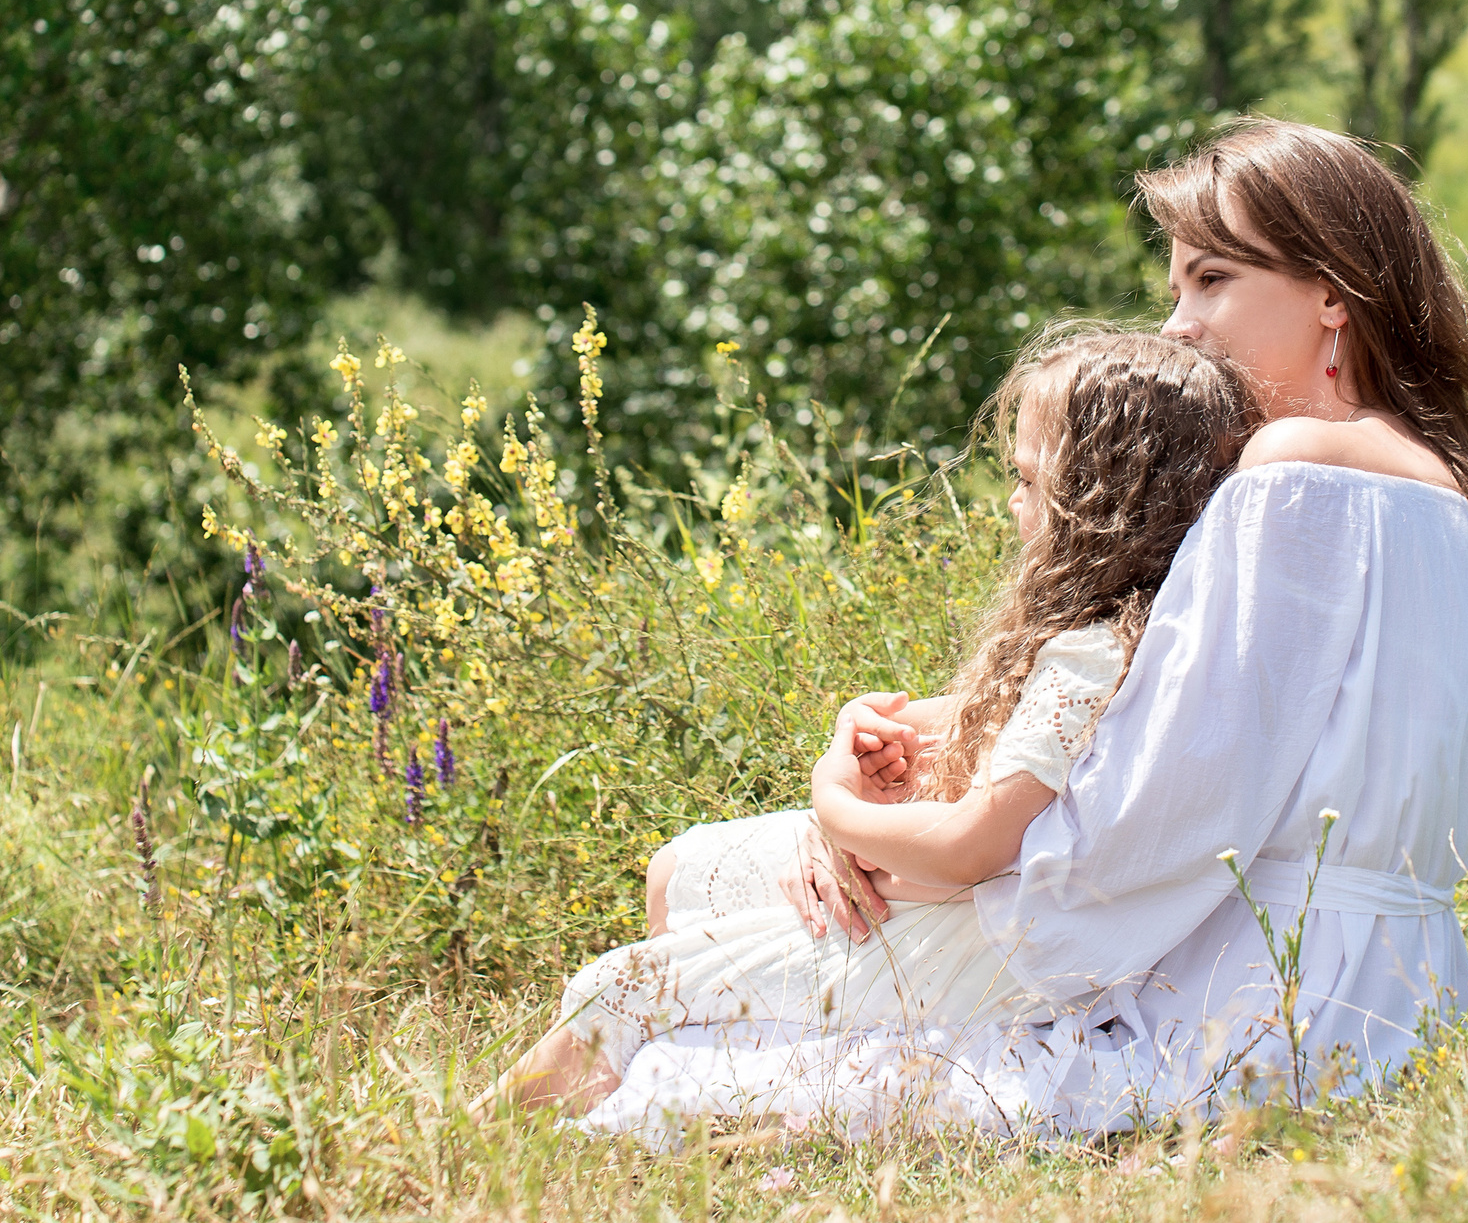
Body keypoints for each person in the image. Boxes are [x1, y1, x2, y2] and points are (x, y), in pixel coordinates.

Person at [570, 117, 1468, 1139]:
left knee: (678, 1026)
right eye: (1175, 287)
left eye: (1210, 280)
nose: (1178, 324)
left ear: (1331, 293)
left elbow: (1167, 801)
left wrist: (920, 850)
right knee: (690, 880)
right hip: (1376, 973)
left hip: (1245, 983)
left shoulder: (1296, 466)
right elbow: (1196, 718)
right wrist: (929, 751)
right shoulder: (1440, 487)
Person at [485, 327, 1255, 1113]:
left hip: (995, 938)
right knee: (678, 871)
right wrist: (859, 729)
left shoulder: (1094, 650)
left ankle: (482, 1143)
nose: (1013, 501)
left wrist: (839, 811)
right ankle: (705, 1039)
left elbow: (970, 848)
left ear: (1099, 499)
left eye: (1027, 479)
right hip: (983, 909)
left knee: (618, 987)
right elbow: (993, 722)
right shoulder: (1118, 631)